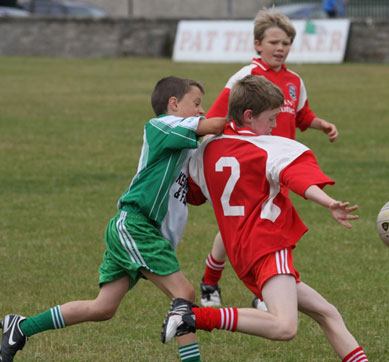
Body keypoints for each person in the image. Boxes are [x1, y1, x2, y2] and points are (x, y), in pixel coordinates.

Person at [0, 76, 226, 362]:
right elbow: (215, 126)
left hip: (140, 230)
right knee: (184, 295)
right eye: (196, 104)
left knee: (103, 308)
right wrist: (244, 114)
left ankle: (20, 327)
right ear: (173, 103)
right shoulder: (160, 125)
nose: (201, 110)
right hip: (136, 226)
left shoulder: (182, 141)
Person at [161, 75, 368, 362]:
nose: (274, 126)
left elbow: (194, 194)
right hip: (267, 244)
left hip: (241, 253)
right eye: (271, 119)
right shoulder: (267, 146)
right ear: (249, 116)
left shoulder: (205, 151)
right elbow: (296, 177)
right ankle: (194, 317)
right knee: (284, 326)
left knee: (326, 312)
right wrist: (329, 202)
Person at [199, 8, 339, 311]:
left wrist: (320, 124)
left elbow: (301, 115)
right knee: (241, 230)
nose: (280, 48)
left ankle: (263, 290)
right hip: (251, 168)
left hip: (281, 168)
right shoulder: (245, 78)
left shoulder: (294, 81)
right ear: (257, 45)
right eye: (274, 42)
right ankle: (211, 281)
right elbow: (215, 119)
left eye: (286, 43)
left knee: (268, 231)